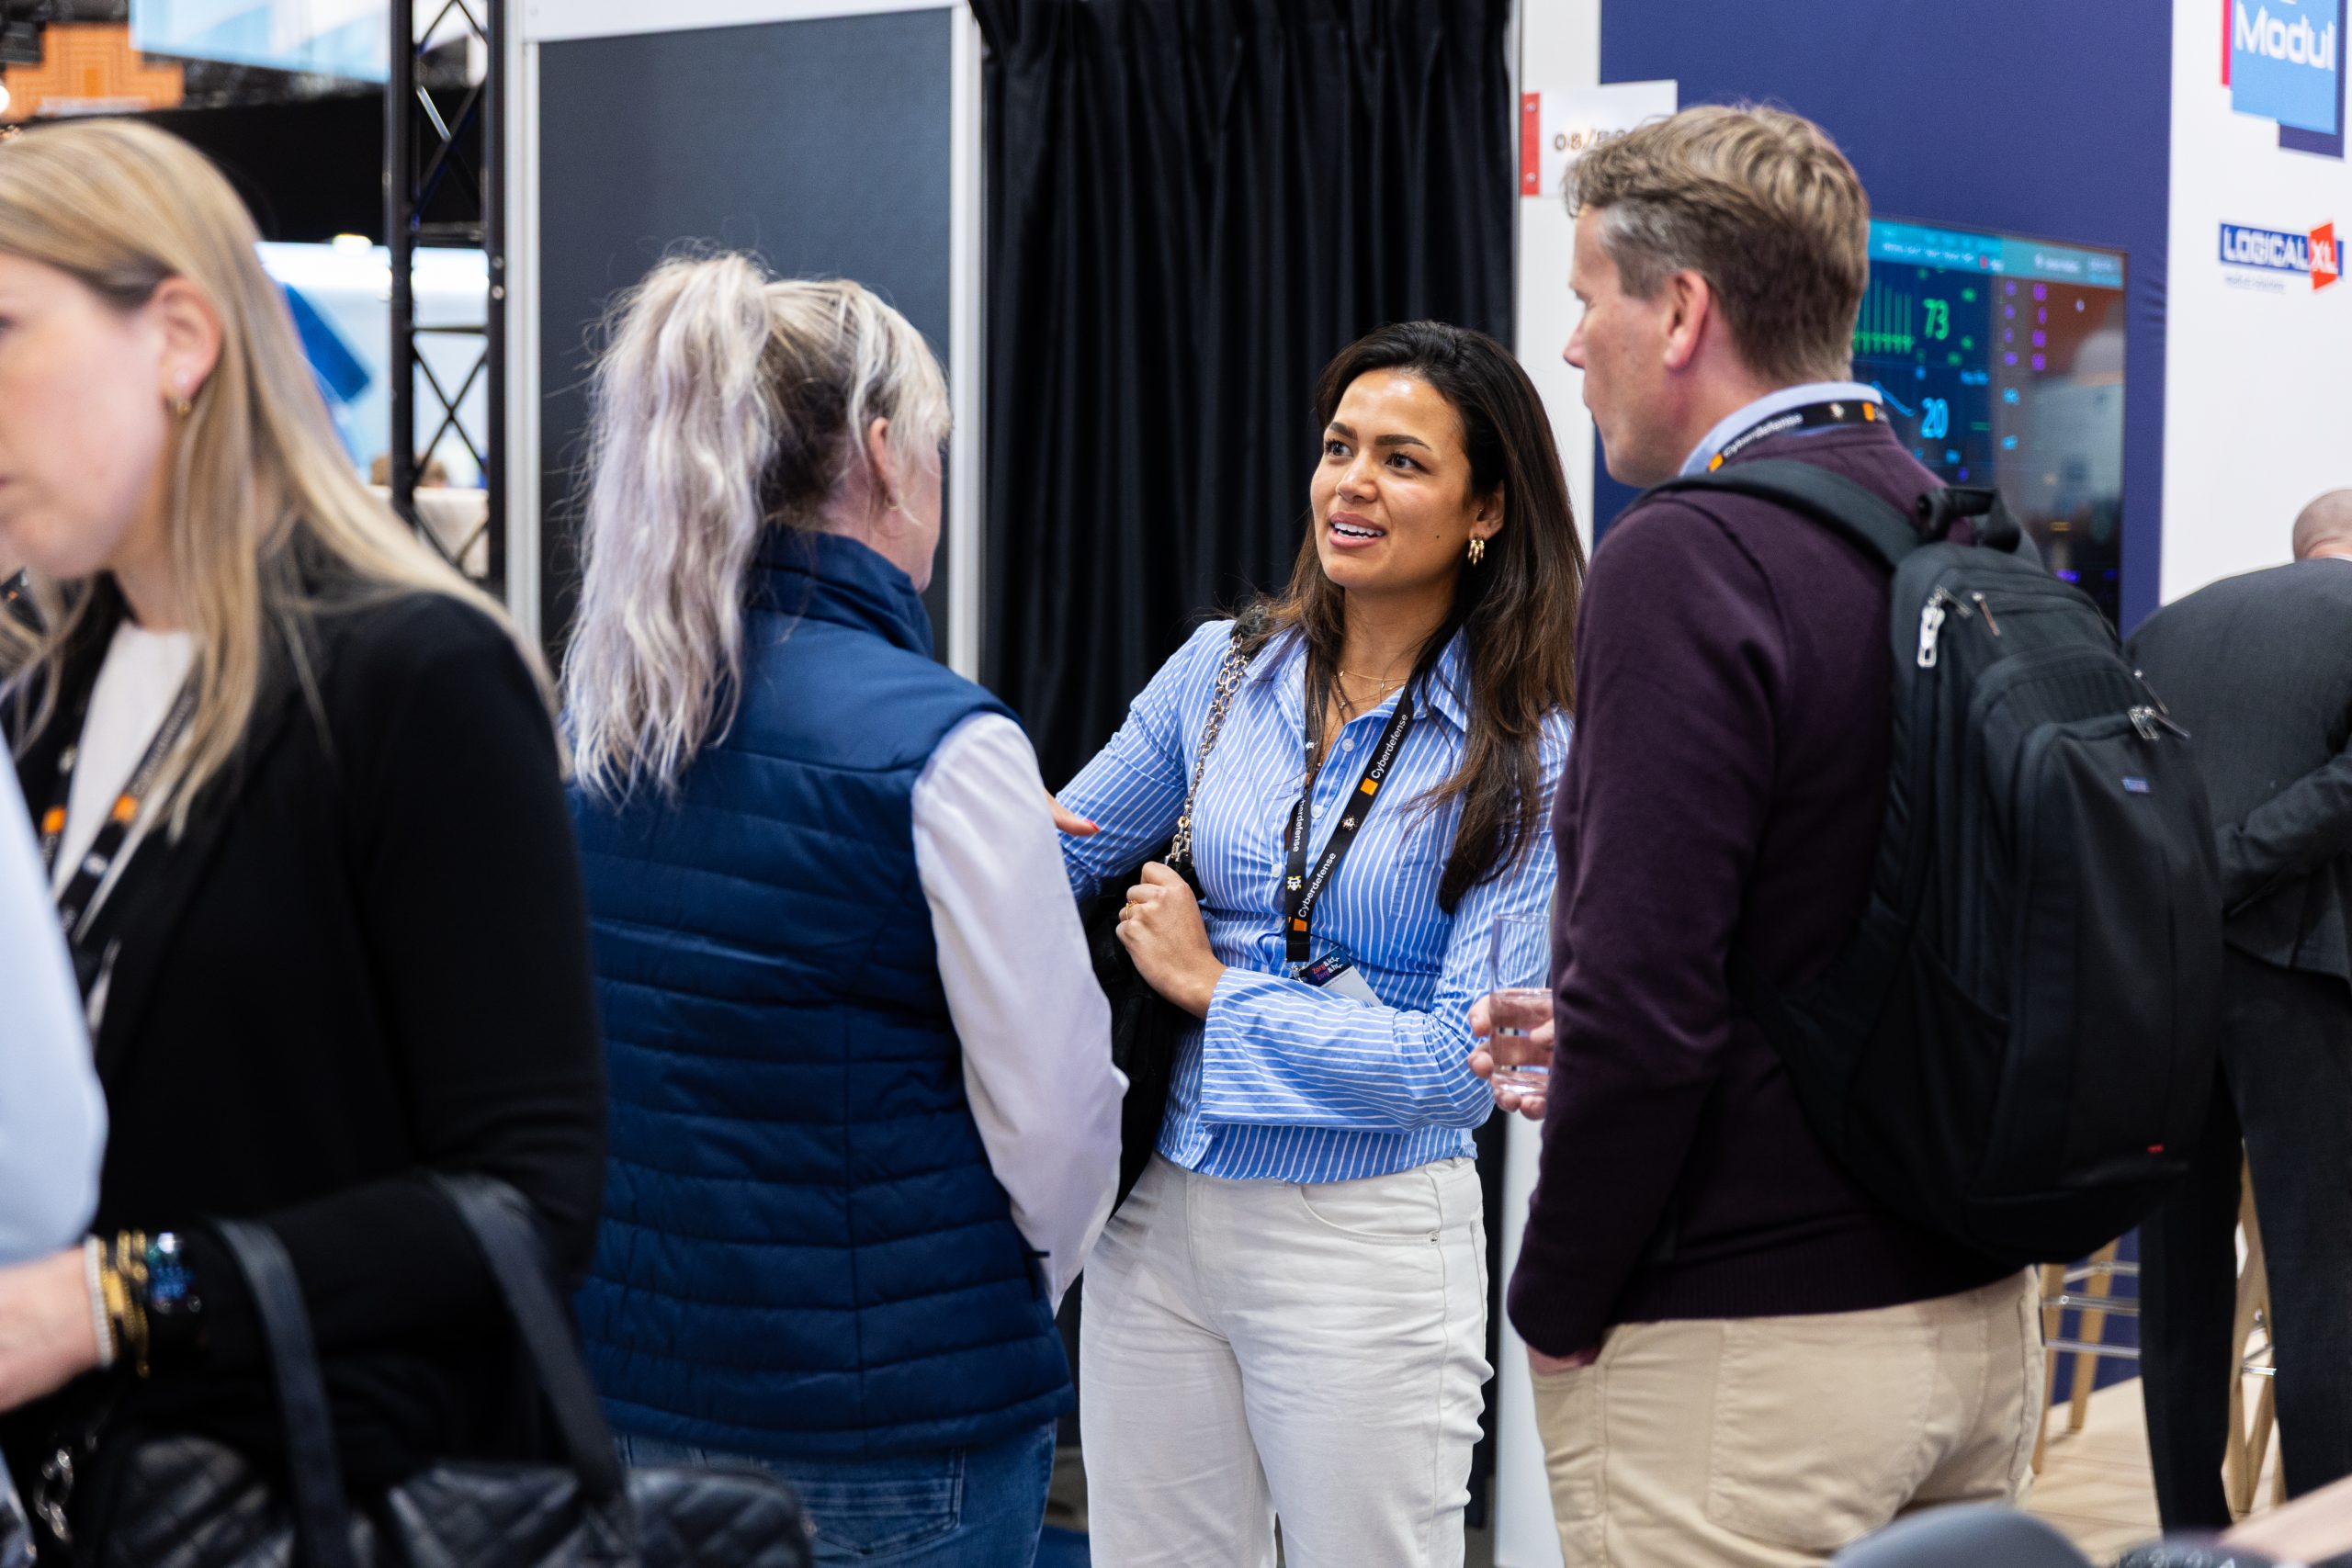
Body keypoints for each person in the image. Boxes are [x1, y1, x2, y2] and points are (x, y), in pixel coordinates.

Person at [0, 118, 605, 1542]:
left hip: (322, 1496)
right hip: (96, 1496)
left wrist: (118, 1300)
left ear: (181, 338)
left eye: (8, 328)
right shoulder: (51, 691)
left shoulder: (412, 676)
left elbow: (530, 1195)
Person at [1481, 106, 2037, 1567]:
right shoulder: (1963, 534)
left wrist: (1554, 1299)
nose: (1570, 343)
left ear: (1681, 310)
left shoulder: (1686, 555)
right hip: (1980, 1320)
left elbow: (1655, 1009)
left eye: (1588, 296)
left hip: (1752, 1353)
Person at [564, 254, 1124, 1568]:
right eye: (931, 445)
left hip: (632, 1395)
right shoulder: (945, 746)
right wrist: (999, 1292)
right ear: (882, 450)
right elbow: (1056, 1121)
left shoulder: (604, 717)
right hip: (890, 1437)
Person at [1056, 320, 1582, 1568]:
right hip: (1160, 1206)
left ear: (1486, 507)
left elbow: (1462, 1065)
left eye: (1403, 460)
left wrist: (1214, 985)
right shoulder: (1222, 672)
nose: (1352, 482)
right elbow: (1057, 849)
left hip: (1365, 1233)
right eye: (1340, 446)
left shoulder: (1530, 748)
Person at [2125, 488, 2352, 1529]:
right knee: (2319, 1275)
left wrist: (2176, 888)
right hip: (2293, 972)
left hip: (2154, 977)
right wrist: (2238, 867)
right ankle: (2321, 1536)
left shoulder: (2167, 626)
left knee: (2177, 1277)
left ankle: (2188, 1537)